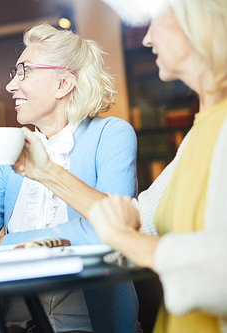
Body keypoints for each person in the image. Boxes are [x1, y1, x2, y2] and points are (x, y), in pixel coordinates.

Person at [14, 1, 227, 332]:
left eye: (157, 20)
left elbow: (219, 272)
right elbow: (135, 217)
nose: (146, 39)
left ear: (198, 23)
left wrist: (126, 242)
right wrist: (46, 172)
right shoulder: (200, 133)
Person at [0, 23, 139, 333]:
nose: (11, 85)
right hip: (14, 325)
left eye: (24, 72)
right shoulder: (11, 147)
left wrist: (7, 243)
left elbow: (105, 231)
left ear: (62, 84)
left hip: (92, 325)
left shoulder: (111, 135)